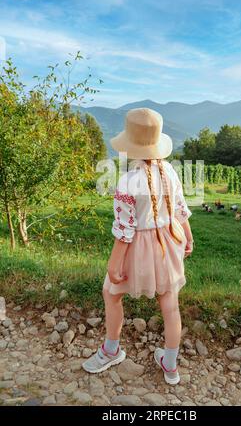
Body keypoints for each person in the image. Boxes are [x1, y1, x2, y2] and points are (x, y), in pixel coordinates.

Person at [82, 108, 193, 385]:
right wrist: (188, 237)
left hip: (138, 248)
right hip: (169, 242)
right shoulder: (169, 171)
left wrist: (113, 263)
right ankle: (169, 364)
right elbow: (180, 209)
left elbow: (124, 230)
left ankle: (111, 350)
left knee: (111, 293)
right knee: (170, 303)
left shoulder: (128, 181)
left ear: (130, 144)